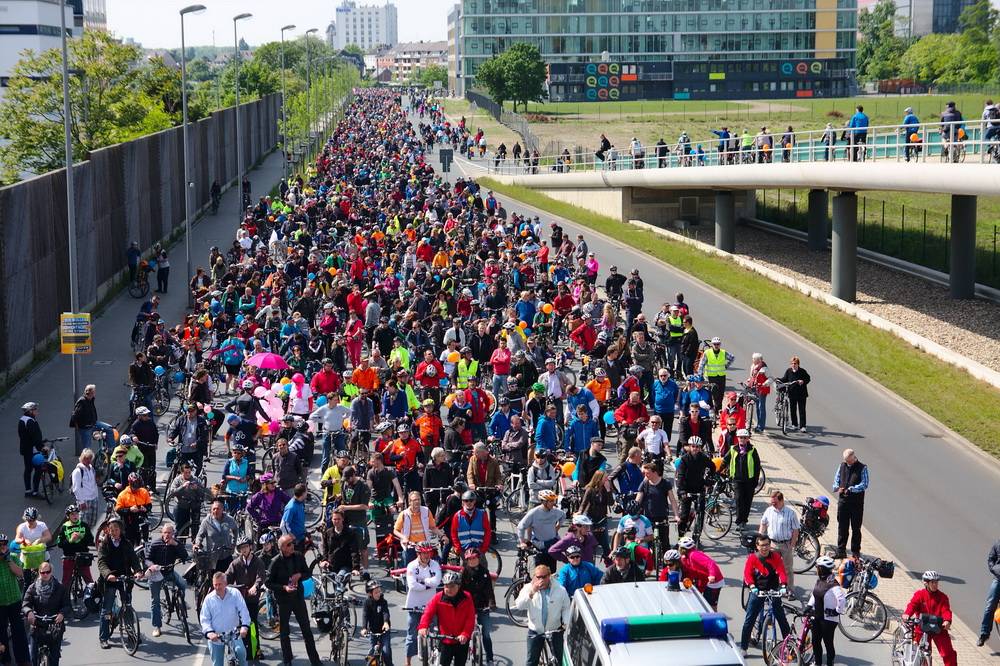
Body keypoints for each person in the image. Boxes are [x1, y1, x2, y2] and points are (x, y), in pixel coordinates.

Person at [265, 534, 323, 665]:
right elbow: (268, 582)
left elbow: (308, 573)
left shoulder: (298, 556)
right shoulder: (275, 562)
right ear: (282, 548)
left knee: (307, 631)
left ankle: (315, 661)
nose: (292, 546)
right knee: (284, 633)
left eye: (292, 543)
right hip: (284, 601)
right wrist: (284, 587)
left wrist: (300, 575)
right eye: (289, 544)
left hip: (298, 599)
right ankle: (287, 661)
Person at [97, 517, 144, 649]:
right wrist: (108, 574)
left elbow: (134, 559)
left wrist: (138, 571)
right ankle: (104, 637)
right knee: (106, 610)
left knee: (127, 606)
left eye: (116, 529)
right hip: (110, 580)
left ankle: (131, 634)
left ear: (120, 530)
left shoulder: (126, 543)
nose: (114, 532)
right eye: (111, 529)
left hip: (125, 578)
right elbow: (101, 562)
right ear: (108, 530)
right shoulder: (104, 544)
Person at [740, 534, 790, 656]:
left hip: (773, 590)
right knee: (749, 619)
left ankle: (788, 646)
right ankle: (743, 647)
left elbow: (781, 572)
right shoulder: (752, 558)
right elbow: (747, 574)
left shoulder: (776, 557)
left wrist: (783, 585)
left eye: (767, 545)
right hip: (758, 590)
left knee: (782, 618)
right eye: (762, 545)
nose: (765, 548)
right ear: (757, 546)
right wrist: (752, 586)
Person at [515, 564, 571, 666]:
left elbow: (566, 607)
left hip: (554, 630)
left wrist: (566, 623)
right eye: (538, 577)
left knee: (559, 659)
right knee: (531, 661)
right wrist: (532, 592)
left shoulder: (560, 589)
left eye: (544, 577)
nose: (541, 579)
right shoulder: (528, 588)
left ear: (549, 576)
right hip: (535, 630)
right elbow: (519, 605)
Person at [418, 570, 476, 666]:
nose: (449, 589)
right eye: (446, 586)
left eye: (452, 586)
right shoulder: (438, 598)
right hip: (446, 639)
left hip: (461, 639)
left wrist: (465, 633)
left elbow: (470, 618)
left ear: (459, 586)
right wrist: (423, 626)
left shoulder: (467, 597)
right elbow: (428, 612)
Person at [903, 571, 958, 666]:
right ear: (926, 583)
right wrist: (907, 614)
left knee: (948, 653)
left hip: (938, 628)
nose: (935, 585)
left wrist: (947, 620)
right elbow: (912, 605)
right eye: (932, 582)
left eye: (936, 582)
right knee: (921, 652)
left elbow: (946, 610)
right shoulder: (920, 595)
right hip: (922, 628)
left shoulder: (943, 597)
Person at [21, 560, 70, 666]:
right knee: (32, 656)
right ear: (39, 573)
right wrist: (29, 612)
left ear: (51, 572)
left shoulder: (60, 587)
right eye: (43, 572)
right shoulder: (32, 588)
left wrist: (61, 614)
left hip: (55, 625)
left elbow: (67, 605)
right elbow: (25, 604)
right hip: (37, 624)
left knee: (54, 657)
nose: (45, 574)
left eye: (47, 572)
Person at [144, 522, 189, 638]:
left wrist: (176, 545)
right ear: (162, 533)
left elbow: (185, 556)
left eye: (169, 533)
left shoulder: (175, 543)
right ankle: (157, 627)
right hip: (156, 575)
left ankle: (181, 602)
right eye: (165, 532)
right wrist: (152, 566)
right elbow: (147, 559)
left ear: (173, 533)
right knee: (155, 601)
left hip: (169, 573)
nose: (167, 535)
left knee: (183, 584)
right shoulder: (155, 543)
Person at [226, 536, 266, 660]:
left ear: (250, 547)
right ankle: (234, 651)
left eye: (245, 547)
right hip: (239, 599)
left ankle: (256, 649)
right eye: (241, 548)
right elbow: (228, 576)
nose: (243, 550)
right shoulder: (236, 563)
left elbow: (261, 576)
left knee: (252, 624)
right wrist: (223, 583)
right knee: (236, 625)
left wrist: (255, 586)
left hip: (252, 600)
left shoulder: (258, 561)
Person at [200, 571, 251, 666]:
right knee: (217, 663)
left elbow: (244, 611)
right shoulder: (208, 599)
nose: (217, 587)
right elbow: (204, 619)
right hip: (217, 637)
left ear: (226, 584)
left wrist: (244, 627)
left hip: (233, 633)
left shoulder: (235, 593)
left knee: (241, 653)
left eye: (220, 584)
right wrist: (209, 632)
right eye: (215, 585)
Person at [405, 543, 443, 666]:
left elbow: (436, 582)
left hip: (431, 605)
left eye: (428, 552)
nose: (427, 555)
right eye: (424, 553)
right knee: (411, 635)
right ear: (418, 554)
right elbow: (412, 585)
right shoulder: (411, 566)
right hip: (413, 605)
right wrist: (428, 584)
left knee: (435, 631)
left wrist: (423, 581)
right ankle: (408, 662)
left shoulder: (435, 564)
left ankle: (435, 655)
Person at [805, 556, 846, 666]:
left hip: (829, 620)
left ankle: (829, 663)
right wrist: (809, 606)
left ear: (822, 569)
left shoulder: (834, 585)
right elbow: (815, 594)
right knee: (815, 642)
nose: (816, 569)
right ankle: (818, 663)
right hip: (817, 616)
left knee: (828, 643)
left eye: (818, 567)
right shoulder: (820, 581)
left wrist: (836, 611)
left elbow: (842, 600)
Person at [634, 461, 680, 556]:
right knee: (649, 543)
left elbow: (673, 500)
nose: (645, 475)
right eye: (644, 473)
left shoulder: (665, 483)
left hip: (662, 517)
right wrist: (633, 512)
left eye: (647, 473)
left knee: (665, 543)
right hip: (648, 518)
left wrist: (676, 515)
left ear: (655, 473)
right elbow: (638, 500)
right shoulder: (644, 484)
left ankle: (666, 565)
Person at [460, 548, 497, 666]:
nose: (472, 561)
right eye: (469, 559)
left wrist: (492, 603)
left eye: (474, 558)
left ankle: (490, 658)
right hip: (468, 606)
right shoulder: (464, 572)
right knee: (463, 633)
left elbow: (489, 590)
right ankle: (462, 656)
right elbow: (459, 591)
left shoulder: (484, 572)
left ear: (478, 558)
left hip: (482, 606)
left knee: (486, 633)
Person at [759, 490, 800, 589]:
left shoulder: (791, 513)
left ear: (781, 501)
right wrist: (760, 537)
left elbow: (795, 530)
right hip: (772, 544)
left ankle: (789, 589)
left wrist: (792, 545)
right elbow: (763, 523)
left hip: (786, 544)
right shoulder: (769, 511)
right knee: (772, 567)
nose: (773, 505)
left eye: (775, 503)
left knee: (788, 569)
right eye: (771, 502)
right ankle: (773, 586)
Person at [832, 447, 868, 559]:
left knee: (856, 528)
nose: (847, 463)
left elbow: (865, 484)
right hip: (843, 501)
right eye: (846, 461)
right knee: (842, 527)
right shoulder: (842, 466)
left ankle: (856, 551)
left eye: (849, 461)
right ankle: (841, 550)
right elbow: (836, 479)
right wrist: (837, 487)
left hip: (856, 503)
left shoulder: (862, 468)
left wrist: (852, 489)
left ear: (853, 457)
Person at [724, 429, 761, 527]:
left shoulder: (752, 450)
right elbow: (725, 461)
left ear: (748, 439)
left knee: (747, 501)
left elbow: (757, 466)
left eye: (744, 438)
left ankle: (744, 520)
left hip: (750, 480)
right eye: (741, 438)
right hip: (737, 480)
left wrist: (756, 480)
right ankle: (739, 521)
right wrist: (718, 470)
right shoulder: (733, 449)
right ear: (738, 438)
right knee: (739, 499)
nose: (742, 440)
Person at [677, 536, 725, 611]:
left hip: (714, 582)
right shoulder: (687, 557)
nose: (678, 549)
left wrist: (712, 575)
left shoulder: (694, 555)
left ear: (683, 549)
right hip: (703, 580)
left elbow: (710, 563)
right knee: (700, 601)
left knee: (710, 607)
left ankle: (714, 620)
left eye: (679, 547)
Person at [394, 491, 441, 564]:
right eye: (414, 500)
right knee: (409, 566)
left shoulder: (426, 511)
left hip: (424, 546)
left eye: (419, 499)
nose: (417, 502)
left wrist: (443, 536)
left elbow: (433, 527)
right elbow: (396, 531)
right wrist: (404, 537)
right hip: (410, 546)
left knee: (433, 565)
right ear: (409, 502)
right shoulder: (404, 514)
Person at [166, 461, 210, 539]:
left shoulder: (195, 479)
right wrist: (182, 487)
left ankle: (195, 542)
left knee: (195, 525)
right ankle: (180, 542)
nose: (188, 474)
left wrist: (197, 488)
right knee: (180, 527)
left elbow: (204, 493)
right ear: (182, 472)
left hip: (194, 505)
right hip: (181, 505)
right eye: (186, 472)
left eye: (189, 472)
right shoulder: (177, 480)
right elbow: (172, 493)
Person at [70, 384, 116, 457]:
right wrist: (78, 428)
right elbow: (75, 416)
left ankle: (111, 450)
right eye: (94, 391)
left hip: (94, 423)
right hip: (86, 428)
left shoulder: (91, 399)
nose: (95, 393)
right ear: (90, 393)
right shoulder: (82, 401)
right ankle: (86, 463)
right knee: (87, 449)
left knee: (109, 429)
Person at [55, 504, 94, 587]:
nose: (75, 516)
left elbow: (91, 540)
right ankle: (64, 597)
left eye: (76, 513)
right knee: (65, 581)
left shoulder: (84, 525)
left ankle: (92, 596)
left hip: (82, 555)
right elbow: (59, 543)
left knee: (89, 580)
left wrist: (81, 537)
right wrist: (70, 540)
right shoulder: (64, 527)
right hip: (69, 555)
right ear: (68, 516)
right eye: (72, 514)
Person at [195, 500, 238, 573]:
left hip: (226, 554)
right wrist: (197, 544)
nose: (215, 511)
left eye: (218, 509)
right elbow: (199, 536)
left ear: (222, 510)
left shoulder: (229, 519)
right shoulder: (206, 522)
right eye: (214, 509)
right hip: (212, 556)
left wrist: (233, 543)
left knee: (228, 579)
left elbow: (235, 530)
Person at [450, 490, 493, 555]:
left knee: (482, 565)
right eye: (466, 500)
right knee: (464, 565)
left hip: (478, 549)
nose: (469, 502)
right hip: (464, 549)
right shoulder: (457, 516)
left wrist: (484, 548)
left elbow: (487, 532)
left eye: (471, 500)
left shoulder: (482, 514)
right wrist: (458, 547)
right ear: (462, 502)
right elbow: (454, 533)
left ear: (475, 501)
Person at [361, 579, 394, 666]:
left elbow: (385, 612)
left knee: (386, 652)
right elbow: (365, 615)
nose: (379, 594)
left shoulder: (383, 602)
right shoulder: (367, 603)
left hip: (384, 631)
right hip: (373, 631)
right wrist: (364, 628)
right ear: (370, 594)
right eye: (376, 592)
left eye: (379, 591)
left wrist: (386, 622)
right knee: (372, 652)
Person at [19, 401, 46, 497]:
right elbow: (35, 437)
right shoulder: (30, 421)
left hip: (25, 449)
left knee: (28, 469)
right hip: (33, 450)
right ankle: (35, 491)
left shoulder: (22, 420)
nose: (36, 411)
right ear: (30, 411)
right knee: (38, 469)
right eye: (35, 409)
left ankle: (28, 490)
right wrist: (42, 447)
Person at [71, 448, 101, 528]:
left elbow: (94, 484)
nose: (88, 460)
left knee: (92, 524)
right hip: (85, 501)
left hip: (94, 499)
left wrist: (96, 497)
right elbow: (76, 488)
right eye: (85, 458)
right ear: (81, 458)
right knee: (82, 525)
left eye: (90, 458)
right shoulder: (77, 471)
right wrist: (81, 502)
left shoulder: (92, 469)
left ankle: (88, 539)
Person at [978, 537, 1000, 646]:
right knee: (990, 604)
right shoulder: (997, 544)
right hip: (998, 579)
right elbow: (991, 559)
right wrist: (995, 569)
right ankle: (984, 634)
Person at [781, 356, 810, 432]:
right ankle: (794, 424)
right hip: (792, 393)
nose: (793, 365)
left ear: (798, 364)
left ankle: (803, 426)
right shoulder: (788, 371)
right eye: (792, 363)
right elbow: (784, 379)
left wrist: (803, 381)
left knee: (802, 410)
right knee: (793, 410)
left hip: (801, 394)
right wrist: (778, 380)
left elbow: (808, 378)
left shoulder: (802, 371)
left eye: (795, 363)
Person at [746, 352, 771, 432]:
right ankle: (758, 424)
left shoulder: (764, 369)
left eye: (754, 359)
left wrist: (765, 384)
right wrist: (749, 380)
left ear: (759, 360)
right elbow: (752, 376)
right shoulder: (753, 366)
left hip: (762, 389)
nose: (752, 360)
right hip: (755, 388)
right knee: (757, 407)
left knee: (761, 407)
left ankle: (761, 427)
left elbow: (770, 378)